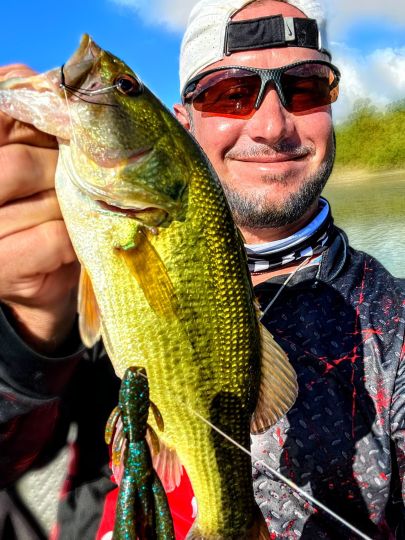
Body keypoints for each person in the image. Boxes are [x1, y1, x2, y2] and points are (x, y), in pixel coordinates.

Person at [0, 0, 404, 538]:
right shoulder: (77, 268)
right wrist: (27, 333)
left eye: (305, 87)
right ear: (182, 123)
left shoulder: (393, 322)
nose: (271, 124)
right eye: (230, 94)